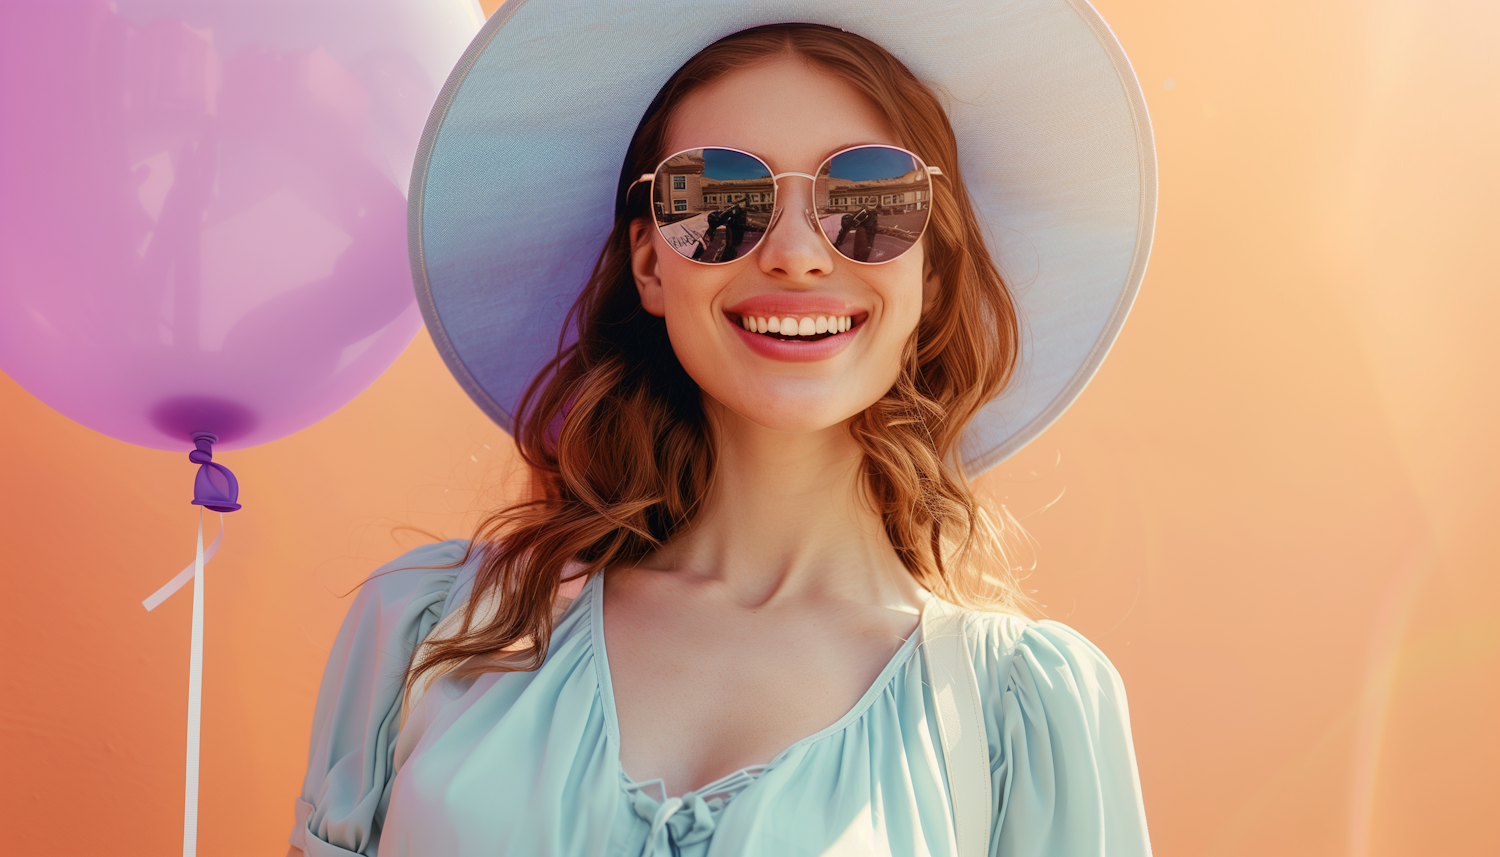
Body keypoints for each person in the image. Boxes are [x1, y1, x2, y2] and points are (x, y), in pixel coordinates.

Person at [291, 6, 1155, 856]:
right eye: (718, 198)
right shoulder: (429, 629)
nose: (796, 252)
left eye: (869, 196)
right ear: (648, 263)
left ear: (930, 271)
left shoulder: (1021, 714)